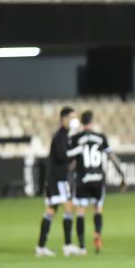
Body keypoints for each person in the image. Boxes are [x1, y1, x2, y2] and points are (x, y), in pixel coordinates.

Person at [68, 111, 126, 254]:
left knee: (80, 211)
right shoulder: (101, 138)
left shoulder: (75, 138)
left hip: (82, 178)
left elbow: (72, 161)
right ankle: (97, 235)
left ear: (81, 122)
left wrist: (69, 177)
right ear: (92, 121)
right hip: (98, 178)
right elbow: (111, 156)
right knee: (98, 208)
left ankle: (82, 246)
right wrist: (122, 175)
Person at [36, 107, 80, 257]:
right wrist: (78, 150)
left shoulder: (66, 136)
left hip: (55, 178)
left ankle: (41, 247)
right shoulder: (60, 136)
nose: (75, 120)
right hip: (57, 179)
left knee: (51, 210)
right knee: (69, 207)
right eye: (72, 117)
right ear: (64, 119)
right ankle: (67, 245)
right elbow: (63, 155)